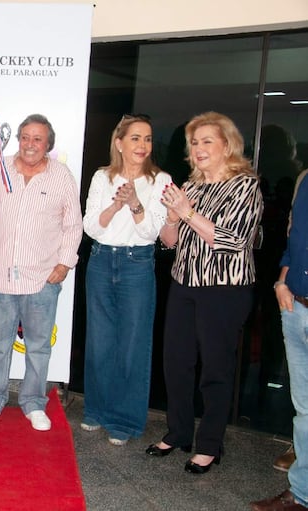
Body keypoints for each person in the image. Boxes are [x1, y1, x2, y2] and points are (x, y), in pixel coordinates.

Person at [146, 112, 263, 473]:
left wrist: (188, 213)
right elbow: (169, 242)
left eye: (207, 141)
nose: (198, 149)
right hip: (184, 284)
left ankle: (210, 444)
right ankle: (179, 432)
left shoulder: (245, 185)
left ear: (227, 145)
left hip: (224, 290)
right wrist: (171, 217)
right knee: (176, 362)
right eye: (194, 143)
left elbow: (233, 241)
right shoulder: (191, 187)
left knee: (215, 368)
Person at [0, 113, 83, 432]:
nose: (30, 144)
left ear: (48, 144)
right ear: (17, 139)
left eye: (37, 139)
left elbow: (73, 224)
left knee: (37, 347)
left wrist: (64, 264)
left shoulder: (61, 176)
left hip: (41, 280)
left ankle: (34, 403)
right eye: (25, 137)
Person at [81, 114, 171, 445]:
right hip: (102, 260)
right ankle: (96, 409)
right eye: (135, 138)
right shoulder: (102, 177)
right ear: (119, 143)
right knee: (100, 340)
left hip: (137, 263)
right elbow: (91, 226)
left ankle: (125, 419)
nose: (142, 145)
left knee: (132, 343)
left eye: (147, 139)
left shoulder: (160, 180)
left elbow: (152, 232)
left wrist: (134, 204)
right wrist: (115, 205)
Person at [250, 168, 308, 511]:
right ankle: (300, 494)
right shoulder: (304, 178)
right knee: (304, 412)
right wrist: (282, 281)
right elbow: (295, 237)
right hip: (295, 305)